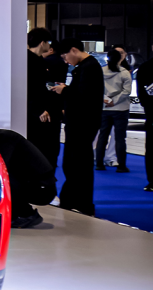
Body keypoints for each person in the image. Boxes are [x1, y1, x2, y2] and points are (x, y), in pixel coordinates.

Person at [51, 39, 104, 215]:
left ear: (73, 50)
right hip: (79, 123)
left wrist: (64, 91)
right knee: (74, 163)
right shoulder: (86, 66)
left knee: (78, 164)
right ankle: (73, 200)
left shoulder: (89, 67)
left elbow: (84, 96)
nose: (66, 61)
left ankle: (80, 203)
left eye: (65, 56)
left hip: (82, 124)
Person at [26, 28, 62, 170]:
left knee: (48, 151)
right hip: (38, 114)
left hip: (44, 111)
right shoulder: (30, 61)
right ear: (42, 43)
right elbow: (29, 88)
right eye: (48, 42)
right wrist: (38, 110)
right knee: (42, 151)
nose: (50, 45)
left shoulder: (39, 60)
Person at [95, 45, 131, 173]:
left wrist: (106, 100)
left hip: (104, 108)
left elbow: (96, 89)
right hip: (121, 109)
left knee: (102, 136)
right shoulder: (125, 73)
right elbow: (126, 92)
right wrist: (114, 101)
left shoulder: (100, 71)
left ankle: (99, 163)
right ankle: (121, 166)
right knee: (120, 138)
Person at [137, 56, 153, 192]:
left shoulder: (145, 67)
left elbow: (141, 93)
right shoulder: (146, 67)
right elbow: (141, 92)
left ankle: (152, 181)